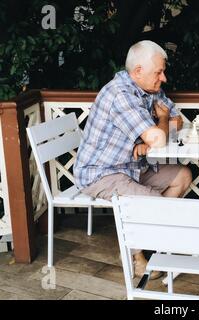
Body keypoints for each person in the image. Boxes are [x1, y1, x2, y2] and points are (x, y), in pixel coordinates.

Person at [73, 40, 192, 280]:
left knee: (183, 175)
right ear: (138, 71)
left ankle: (150, 237)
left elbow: (178, 121)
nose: (164, 78)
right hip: (101, 173)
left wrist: (152, 134)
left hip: (132, 167)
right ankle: (135, 256)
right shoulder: (120, 94)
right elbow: (160, 135)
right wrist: (159, 126)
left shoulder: (149, 89)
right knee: (153, 202)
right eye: (159, 72)